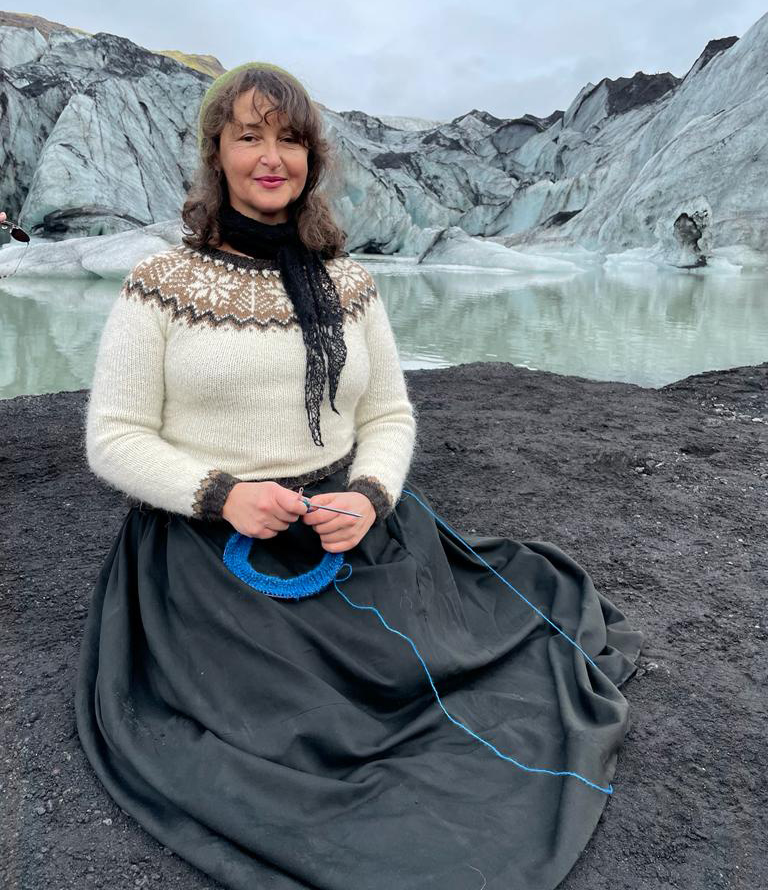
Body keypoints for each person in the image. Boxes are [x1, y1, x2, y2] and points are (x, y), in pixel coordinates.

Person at [75, 61, 644, 890]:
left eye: (291, 138)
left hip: (350, 518)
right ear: (216, 153)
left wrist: (371, 496)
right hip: (210, 544)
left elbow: (387, 416)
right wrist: (222, 494)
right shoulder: (160, 286)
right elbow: (114, 437)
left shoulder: (350, 284)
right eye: (249, 136)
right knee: (290, 724)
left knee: (426, 666)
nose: (272, 157)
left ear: (313, 158)